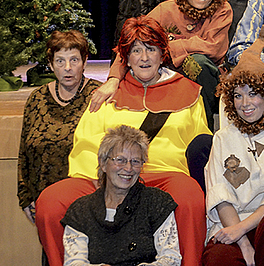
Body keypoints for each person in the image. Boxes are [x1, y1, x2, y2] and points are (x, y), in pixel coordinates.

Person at [35, 16, 212, 266]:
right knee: (51, 202)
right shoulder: (108, 94)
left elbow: (198, 148)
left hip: (163, 177)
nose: (143, 57)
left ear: (163, 54)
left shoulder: (190, 94)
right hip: (105, 178)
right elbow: (87, 142)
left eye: (151, 49)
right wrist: (103, 184)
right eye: (136, 50)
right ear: (126, 58)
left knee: (190, 197)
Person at [91, 0, 232, 129]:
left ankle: (202, 132)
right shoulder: (166, 10)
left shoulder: (222, 10)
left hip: (208, 84)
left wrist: (171, 44)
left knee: (197, 62)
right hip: (167, 77)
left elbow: (213, 48)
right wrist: (114, 78)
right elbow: (131, 43)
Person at [203, 28, 264, 266]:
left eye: (253, 94)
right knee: (218, 259)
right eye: (237, 96)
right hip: (229, 226)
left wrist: (242, 230)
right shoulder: (222, 138)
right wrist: (242, 243)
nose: (245, 104)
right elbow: (220, 195)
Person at [61, 125, 181, 266]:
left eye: (135, 161)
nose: (128, 168)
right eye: (120, 160)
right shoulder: (81, 210)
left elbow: (171, 259)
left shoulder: (157, 202)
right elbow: (74, 263)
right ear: (103, 163)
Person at [17, 30, 101, 224]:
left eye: (74, 60)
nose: (68, 68)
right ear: (51, 64)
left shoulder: (98, 97)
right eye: (60, 61)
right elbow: (24, 154)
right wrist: (26, 199)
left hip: (88, 206)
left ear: (85, 62)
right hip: (44, 206)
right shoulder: (36, 99)